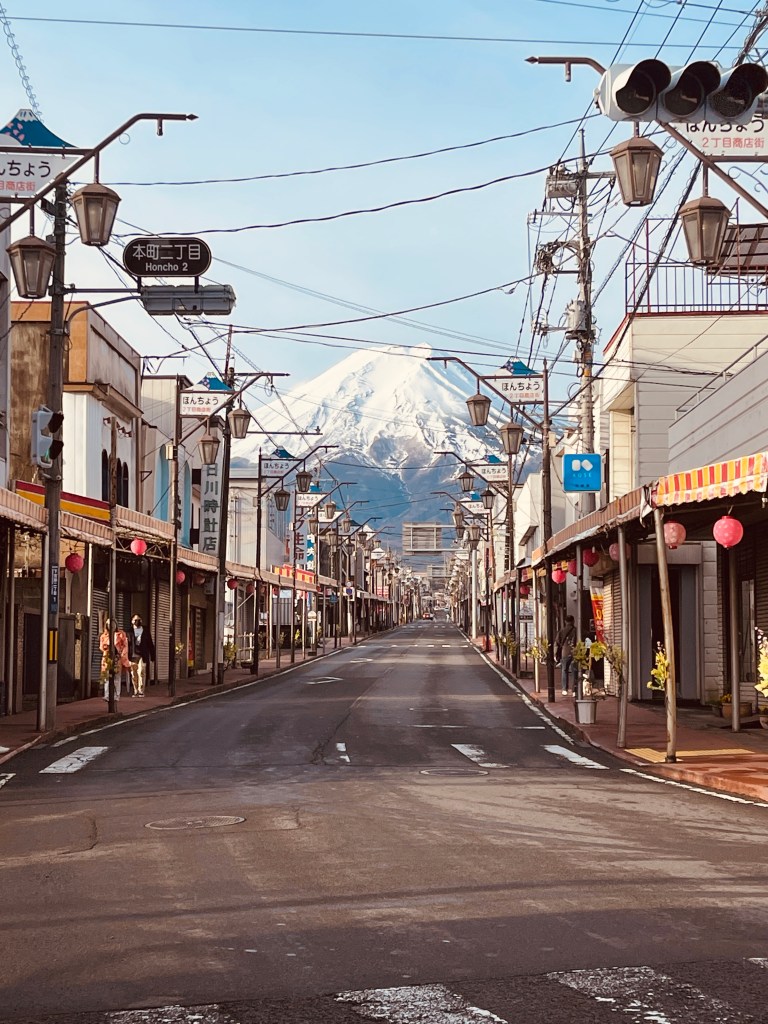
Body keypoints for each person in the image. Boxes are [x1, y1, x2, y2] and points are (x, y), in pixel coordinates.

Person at [99, 618, 131, 702]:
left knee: (117, 677)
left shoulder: (121, 634)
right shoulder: (104, 635)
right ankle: (107, 695)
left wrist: (122, 655)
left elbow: (125, 646)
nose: (111, 626)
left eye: (112, 624)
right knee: (107, 677)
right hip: (107, 658)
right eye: (108, 624)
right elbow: (101, 647)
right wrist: (106, 648)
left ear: (116, 624)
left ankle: (116, 696)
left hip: (118, 657)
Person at [128, 614, 155, 697]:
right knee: (134, 673)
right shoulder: (129, 631)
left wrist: (152, 655)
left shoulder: (145, 630)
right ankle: (135, 690)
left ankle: (141, 690)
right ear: (132, 621)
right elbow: (127, 644)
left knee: (141, 672)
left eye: (139, 620)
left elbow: (150, 643)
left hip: (143, 655)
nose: (137, 621)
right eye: (135, 620)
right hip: (132, 655)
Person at [555, 614, 577, 696]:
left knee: (564, 670)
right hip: (575, 652)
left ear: (565, 621)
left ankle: (564, 689)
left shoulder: (562, 631)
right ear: (573, 621)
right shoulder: (576, 630)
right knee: (574, 671)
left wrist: (555, 653)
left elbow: (557, 641)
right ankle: (574, 690)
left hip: (565, 652)